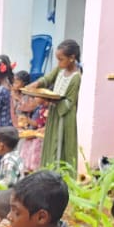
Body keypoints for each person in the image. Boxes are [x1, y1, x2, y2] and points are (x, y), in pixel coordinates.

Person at [34, 39, 82, 171]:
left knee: (60, 145)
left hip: (65, 118)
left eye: (61, 59)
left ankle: (61, 176)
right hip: (54, 114)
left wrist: (50, 99)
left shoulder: (76, 77)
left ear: (72, 58)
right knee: (51, 142)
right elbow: (47, 79)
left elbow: (69, 103)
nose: (59, 63)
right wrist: (36, 84)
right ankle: (48, 172)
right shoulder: (60, 69)